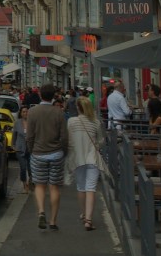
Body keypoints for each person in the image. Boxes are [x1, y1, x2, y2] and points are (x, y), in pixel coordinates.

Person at [26, 84, 68, 231]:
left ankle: (41, 211)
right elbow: (64, 137)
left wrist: (31, 150)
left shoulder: (32, 112)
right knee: (54, 187)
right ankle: (53, 221)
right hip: (56, 153)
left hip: (38, 153)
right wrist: (64, 152)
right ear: (54, 96)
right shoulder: (59, 113)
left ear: (40, 95)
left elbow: (29, 136)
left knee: (39, 185)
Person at [67, 97, 104, 231]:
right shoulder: (96, 122)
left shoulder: (71, 121)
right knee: (91, 188)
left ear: (78, 108)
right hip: (92, 157)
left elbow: (69, 140)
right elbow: (100, 141)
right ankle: (89, 220)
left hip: (78, 158)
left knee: (81, 187)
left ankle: (83, 214)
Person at [12, 106, 32, 194]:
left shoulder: (32, 123)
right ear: (20, 113)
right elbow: (14, 135)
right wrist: (13, 145)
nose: (25, 113)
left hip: (30, 149)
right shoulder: (17, 123)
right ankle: (24, 185)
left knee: (31, 168)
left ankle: (31, 183)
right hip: (20, 148)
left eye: (26, 111)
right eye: (23, 112)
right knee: (23, 167)